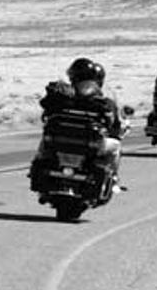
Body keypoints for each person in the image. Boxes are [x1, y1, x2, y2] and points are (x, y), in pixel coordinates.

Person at [31, 57, 126, 192]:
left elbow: (45, 110)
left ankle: (39, 167)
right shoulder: (102, 101)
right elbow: (114, 124)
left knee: (46, 140)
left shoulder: (63, 95)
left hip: (60, 140)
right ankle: (114, 179)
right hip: (86, 143)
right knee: (116, 146)